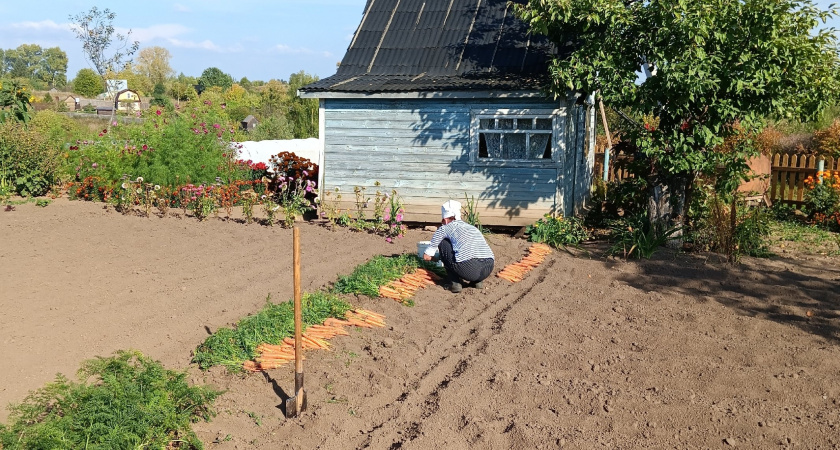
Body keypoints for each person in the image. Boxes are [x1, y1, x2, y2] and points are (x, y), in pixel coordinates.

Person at [423, 200, 495, 293]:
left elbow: (426, 256)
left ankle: (455, 284)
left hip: (469, 270)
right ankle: (477, 282)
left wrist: (440, 258)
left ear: (445, 220)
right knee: (471, 249)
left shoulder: (444, 229)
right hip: (488, 267)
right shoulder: (472, 227)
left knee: (443, 242)